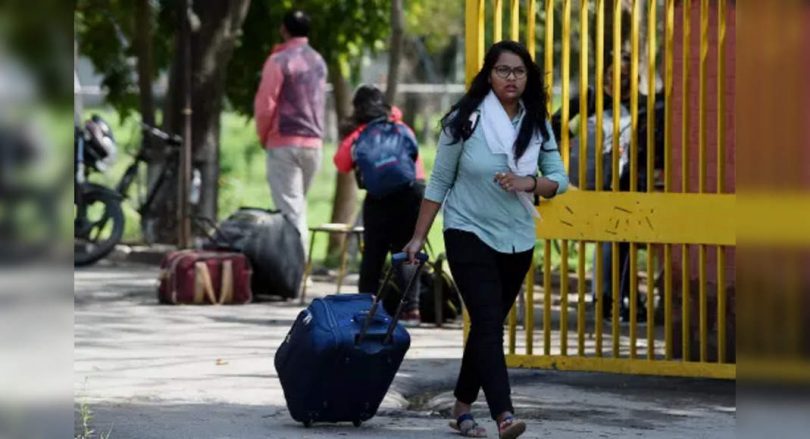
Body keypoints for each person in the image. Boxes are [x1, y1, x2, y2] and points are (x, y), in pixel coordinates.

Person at [403, 40, 568, 438]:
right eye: (502, 70)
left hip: (516, 239)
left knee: (486, 327)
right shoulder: (465, 119)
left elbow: (559, 181)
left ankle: (462, 408)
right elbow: (439, 180)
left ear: (529, 78)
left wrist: (527, 181)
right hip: (467, 231)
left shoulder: (536, 123)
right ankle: (504, 415)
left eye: (519, 71)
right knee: (490, 324)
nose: (511, 78)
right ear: (488, 74)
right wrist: (417, 238)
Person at [333, 85, 426, 326]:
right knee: (409, 252)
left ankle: (368, 306)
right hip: (412, 194)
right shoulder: (401, 128)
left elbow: (341, 163)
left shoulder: (360, 134)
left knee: (373, 254)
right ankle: (412, 310)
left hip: (379, 200)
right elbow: (415, 159)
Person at [253, 9, 327, 255]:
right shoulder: (318, 61)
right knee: (298, 207)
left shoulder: (278, 61)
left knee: (291, 212)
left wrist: (264, 137)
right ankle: (297, 271)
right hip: (314, 145)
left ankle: (295, 273)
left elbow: (265, 105)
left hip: (284, 144)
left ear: (283, 30)